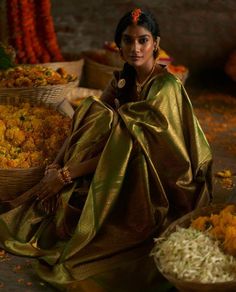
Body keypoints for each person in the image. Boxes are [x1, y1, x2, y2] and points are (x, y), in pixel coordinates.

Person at [0, 8, 212, 291]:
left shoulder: (164, 87)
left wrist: (66, 175)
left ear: (156, 44)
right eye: (127, 40)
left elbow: (130, 149)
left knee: (104, 125)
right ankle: (58, 195)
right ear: (119, 44)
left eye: (143, 41)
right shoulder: (123, 79)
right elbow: (83, 123)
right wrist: (55, 166)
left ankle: (66, 196)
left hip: (162, 175)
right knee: (94, 109)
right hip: (119, 160)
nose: (135, 48)